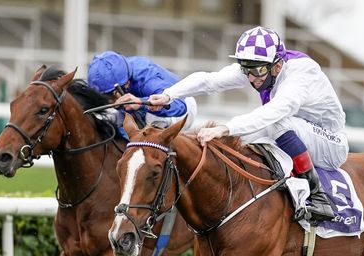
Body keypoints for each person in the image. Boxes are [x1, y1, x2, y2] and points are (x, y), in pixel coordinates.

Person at [115, 26, 348, 222]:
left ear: (277, 65)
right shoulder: (260, 65)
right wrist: (168, 95)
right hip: (300, 132)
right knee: (246, 138)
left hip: (330, 143)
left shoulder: (300, 73)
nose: (252, 78)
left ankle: (318, 197)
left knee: (274, 122)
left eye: (257, 71)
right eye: (246, 70)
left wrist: (225, 128)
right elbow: (208, 80)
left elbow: (278, 110)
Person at [86, 51, 197, 130]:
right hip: (144, 108)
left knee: (150, 118)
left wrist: (140, 103)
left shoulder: (148, 80)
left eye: (110, 95)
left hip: (183, 106)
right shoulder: (117, 73)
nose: (109, 101)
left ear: (127, 83)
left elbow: (180, 107)